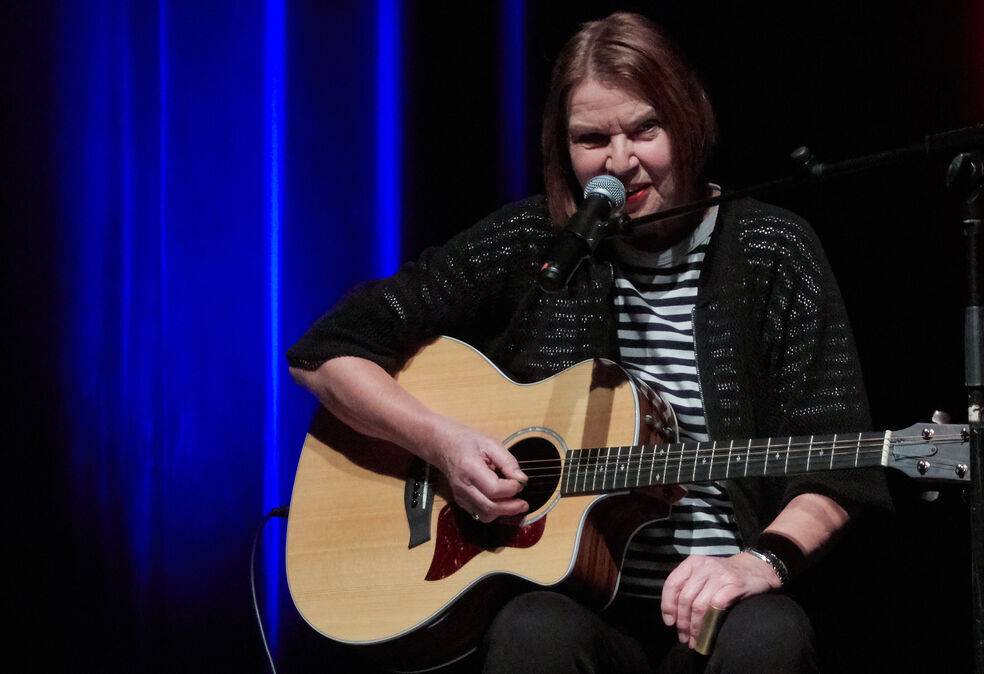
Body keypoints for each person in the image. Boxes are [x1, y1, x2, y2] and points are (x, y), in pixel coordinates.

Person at [288, 11, 891, 673]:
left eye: (644, 129)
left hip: (720, 609)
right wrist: (442, 443)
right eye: (591, 138)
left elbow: (837, 471)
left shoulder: (772, 250)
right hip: (574, 602)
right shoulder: (535, 243)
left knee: (768, 636)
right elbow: (327, 350)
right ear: (562, 148)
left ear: (687, 121)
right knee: (532, 634)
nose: (620, 161)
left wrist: (759, 561)